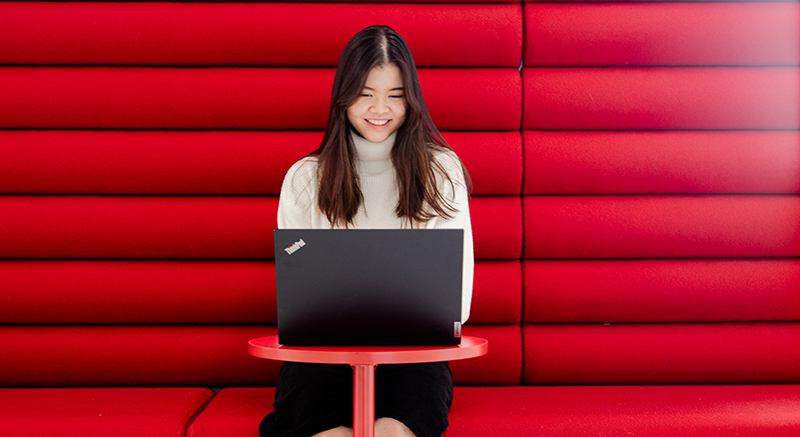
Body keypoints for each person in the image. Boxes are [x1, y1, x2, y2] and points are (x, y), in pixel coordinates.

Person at [260, 25, 474, 437]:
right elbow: (297, 298)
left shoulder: (440, 170)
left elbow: (456, 303)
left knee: (393, 430)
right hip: (320, 358)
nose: (381, 109)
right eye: (365, 94)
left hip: (415, 356)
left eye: (395, 95)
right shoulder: (306, 178)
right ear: (344, 97)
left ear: (411, 100)